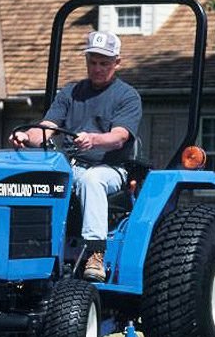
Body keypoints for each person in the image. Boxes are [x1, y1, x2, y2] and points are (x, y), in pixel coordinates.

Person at [10, 30, 142, 282]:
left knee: (92, 180)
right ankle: (29, 247)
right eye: (92, 62)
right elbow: (47, 128)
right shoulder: (71, 93)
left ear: (117, 62)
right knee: (36, 177)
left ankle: (95, 253)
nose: (98, 68)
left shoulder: (126, 96)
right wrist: (27, 136)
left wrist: (93, 139)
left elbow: (119, 137)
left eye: (104, 63)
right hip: (72, 165)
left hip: (110, 168)